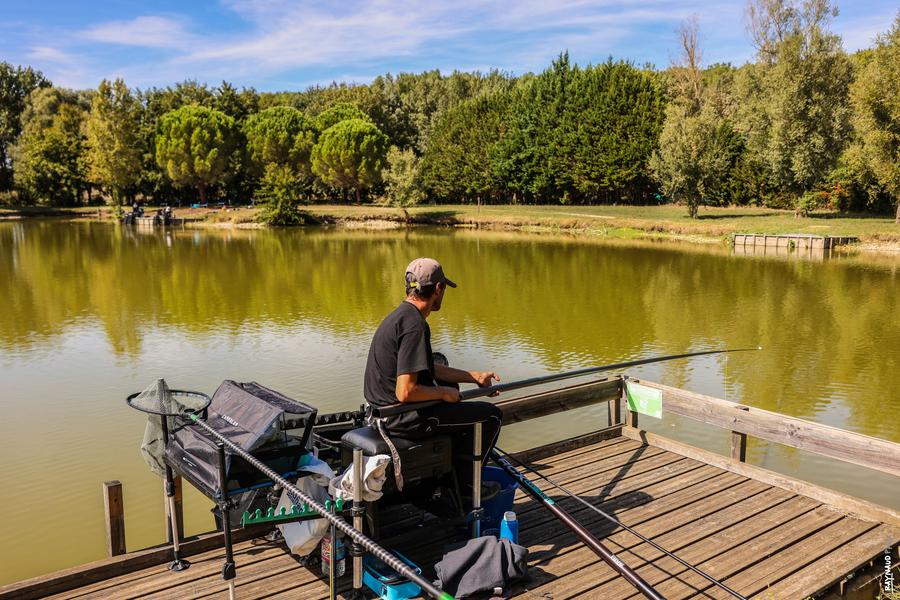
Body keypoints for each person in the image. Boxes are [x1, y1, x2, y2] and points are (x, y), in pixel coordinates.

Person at [363, 258, 503, 494]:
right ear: (438, 289)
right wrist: (444, 393)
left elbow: (428, 368)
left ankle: (447, 480)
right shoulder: (414, 325)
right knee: (492, 417)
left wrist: (474, 376)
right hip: (401, 419)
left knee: (455, 395)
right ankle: (467, 489)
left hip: (384, 414)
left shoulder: (400, 317)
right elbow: (405, 391)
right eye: (444, 289)